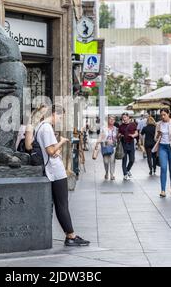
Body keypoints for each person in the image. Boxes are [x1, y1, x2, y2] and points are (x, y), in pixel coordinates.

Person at [33, 104, 90, 247]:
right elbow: (51, 151)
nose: (59, 120)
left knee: (60, 204)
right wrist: (62, 142)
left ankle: (70, 235)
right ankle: (71, 236)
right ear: (53, 113)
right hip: (55, 171)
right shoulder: (46, 128)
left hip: (51, 169)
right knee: (62, 204)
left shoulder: (39, 126)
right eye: (59, 116)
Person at [155, 108, 171, 198]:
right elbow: (155, 138)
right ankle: (163, 190)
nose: (162, 117)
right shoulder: (158, 124)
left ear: (168, 114)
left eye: (164, 115)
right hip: (162, 147)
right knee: (163, 168)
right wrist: (158, 134)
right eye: (161, 115)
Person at [96, 115, 118, 181]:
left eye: (113, 119)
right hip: (105, 146)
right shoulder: (104, 128)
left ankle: (112, 175)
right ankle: (106, 172)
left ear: (114, 121)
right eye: (110, 119)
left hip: (113, 146)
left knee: (112, 161)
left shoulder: (116, 129)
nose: (111, 120)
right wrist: (97, 143)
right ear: (108, 120)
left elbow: (117, 138)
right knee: (106, 161)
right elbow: (100, 136)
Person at [118, 112, 138, 181]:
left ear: (128, 117)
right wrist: (120, 135)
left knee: (132, 160)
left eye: (125, 117)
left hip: (131, 143)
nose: (124, 119)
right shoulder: (121, 126)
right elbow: (119, 134)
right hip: (123, 143)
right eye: (123, 117)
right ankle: (125, 174)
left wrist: (133, 135)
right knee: (124, 160)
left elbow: (136, 133)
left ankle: (127, 170)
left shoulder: (133, 124)